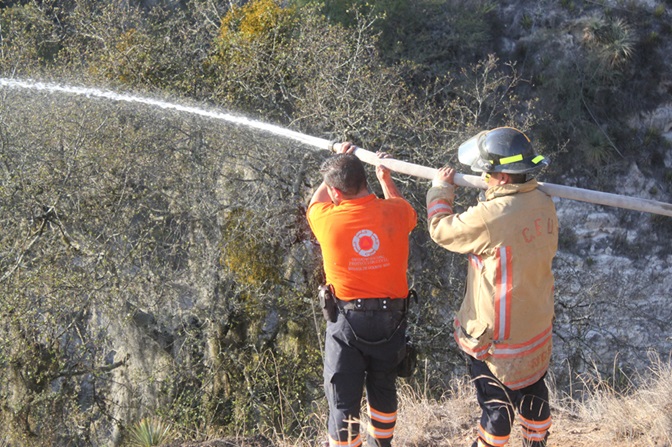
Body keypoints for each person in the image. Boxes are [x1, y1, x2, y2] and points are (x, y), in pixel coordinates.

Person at [425, 127, 558, 447]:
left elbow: (441, 230)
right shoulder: (543, 201)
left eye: (487, 172)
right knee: (535, 399)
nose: (483, 177)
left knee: (497, 415)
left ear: (501, 177)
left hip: (497, 343)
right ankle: (536, 442)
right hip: (536, 333)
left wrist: (440, 191)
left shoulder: (490, 217)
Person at [307, 142, 417, 447]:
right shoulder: (396, 212)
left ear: (335, 193)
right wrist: (385, 178)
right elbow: (407, 212)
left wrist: (340, 162)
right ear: (365, 180)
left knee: (343, 402)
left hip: (346, 323)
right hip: (391, 321)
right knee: (383, 389)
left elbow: (314, 203)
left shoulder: (326, 219)